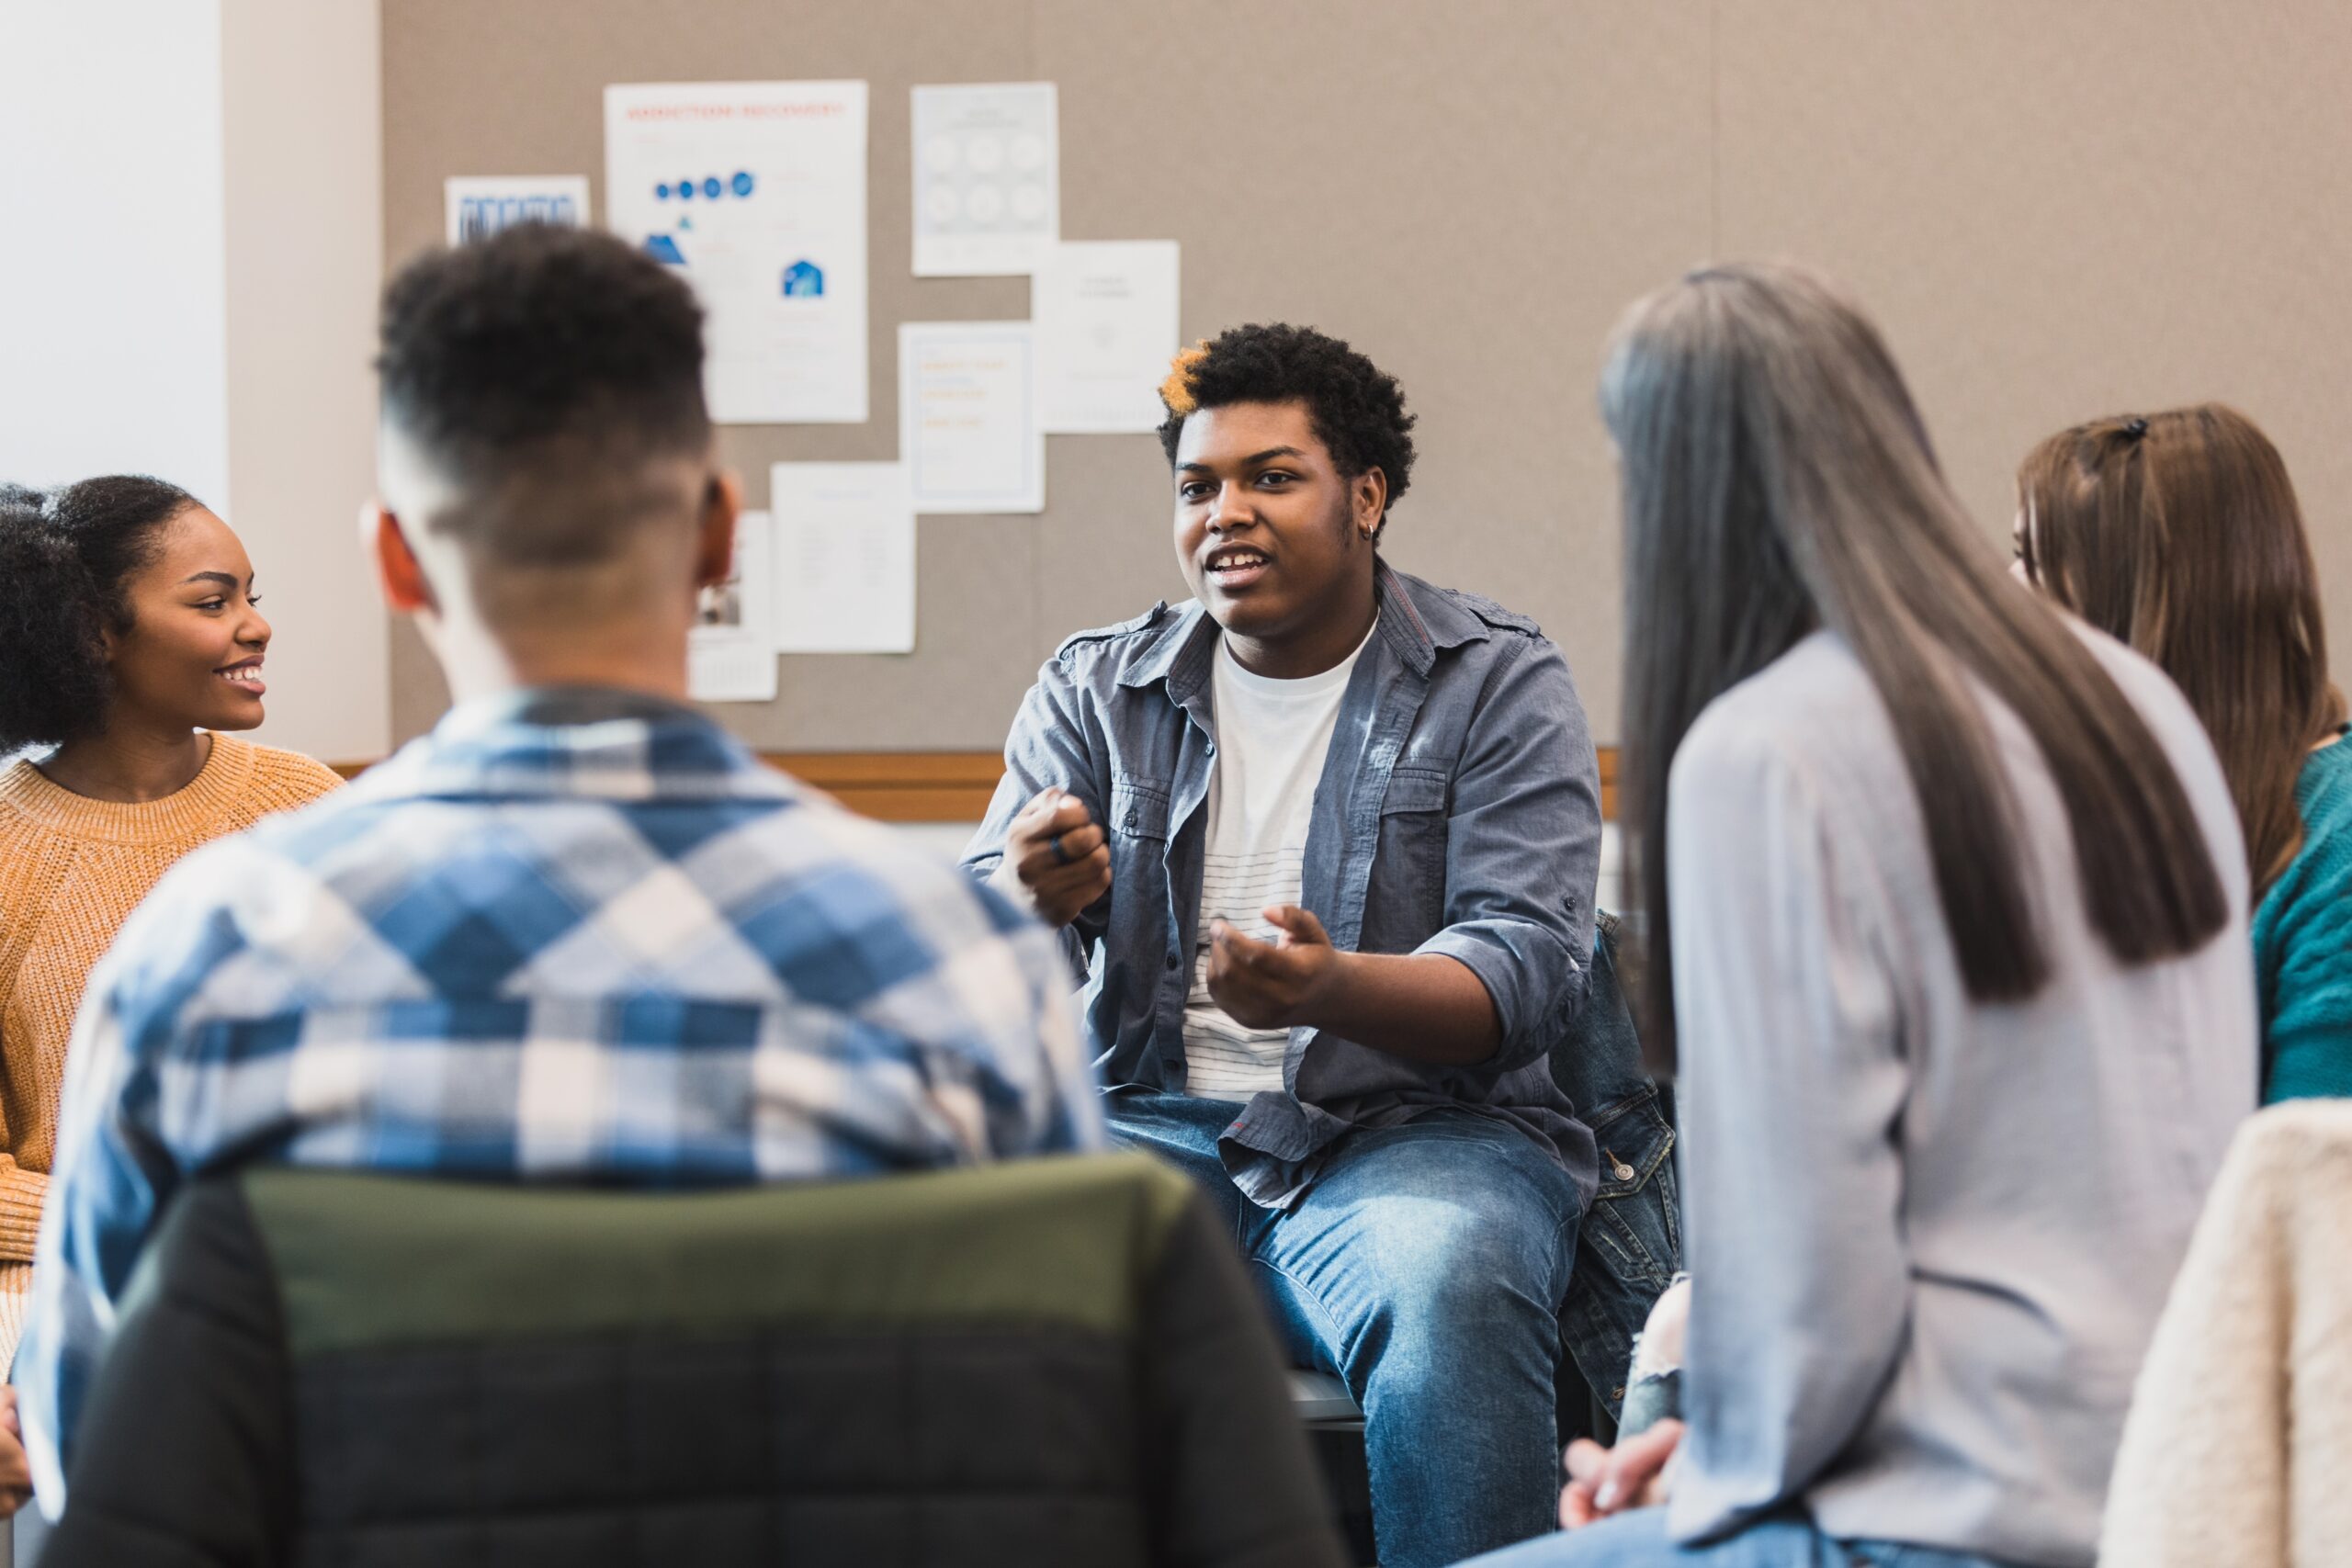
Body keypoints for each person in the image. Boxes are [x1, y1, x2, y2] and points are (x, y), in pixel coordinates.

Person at [17, 225, 1102, 1517]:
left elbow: (108, 1459)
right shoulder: (954, 953)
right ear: (717, 538)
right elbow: (1046, 1452)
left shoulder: (202, 946)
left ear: (396, 557)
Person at [1465, 265, 2256, 1567]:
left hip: (1948, 1510)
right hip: (2169, 1478)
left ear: (1677, 490)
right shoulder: (2133, 697)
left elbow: (1809, 1286)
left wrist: (1719, 1465)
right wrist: (1725, 1440)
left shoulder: (1765, 753)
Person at [965, 322, 1612, 1567]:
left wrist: (1331, 986)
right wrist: (1027, 900)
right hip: (1145, 1129)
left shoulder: (1495, 678)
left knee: (1454, 1281)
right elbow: (975, 952)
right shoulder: (1097, 688)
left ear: (1366, 495)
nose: (1226, 513)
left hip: (1417, 1140)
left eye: (1272, 476)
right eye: (1198, 485)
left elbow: (1529, 966)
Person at [0, 477, 341, 1512]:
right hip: (60, 1292)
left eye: (251, 594)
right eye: (211, 601)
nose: (257, 625)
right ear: (94, 635)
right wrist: (126, 1222)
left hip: (287, 1270)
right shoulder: (6, 852)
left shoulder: (310, 810)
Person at [2015, 406, 2351, 1102]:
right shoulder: (2091, 810)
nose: (1999, 597)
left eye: (2034, 563)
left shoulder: (2337, 847)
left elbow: (2309, 1186)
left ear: (2145, 615)